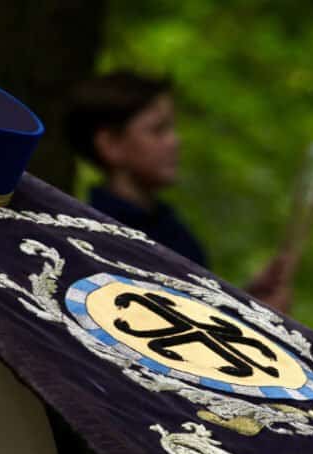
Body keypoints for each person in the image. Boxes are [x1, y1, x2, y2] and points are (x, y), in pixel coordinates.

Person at [65, 70, 293, 311]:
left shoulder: (172, 230)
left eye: (172, 128)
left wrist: (249, 302)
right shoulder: (99, 238)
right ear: (110, 145)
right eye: (158, 130)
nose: (175, 141)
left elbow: (195, 313)